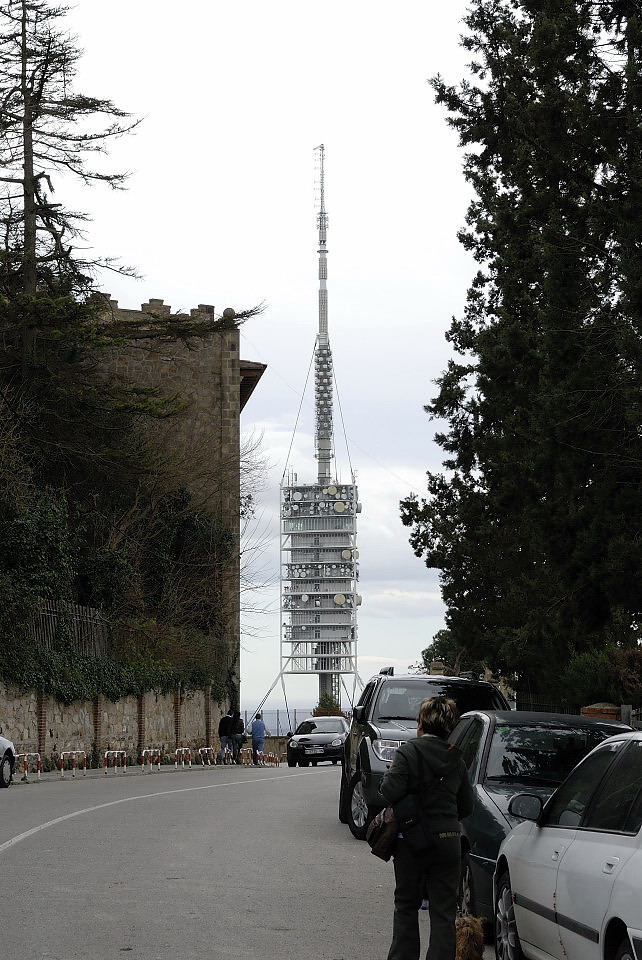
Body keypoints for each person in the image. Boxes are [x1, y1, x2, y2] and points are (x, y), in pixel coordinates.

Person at [380, 695, 474, 960]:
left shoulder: (409, 752)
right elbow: (466, 806)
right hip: (448, 841)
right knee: (443, 911)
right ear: (448, 727)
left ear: (421, 723)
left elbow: (389, 790)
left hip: (411, 839)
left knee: (406, 905)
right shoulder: (457, 759)